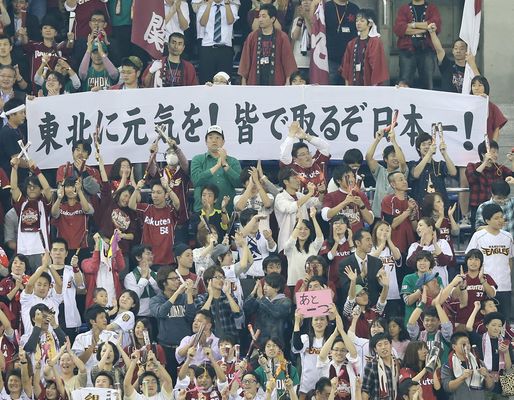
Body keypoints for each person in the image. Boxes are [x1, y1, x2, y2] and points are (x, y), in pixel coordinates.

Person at [466, 203, 514, 322]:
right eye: (496, 218)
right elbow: (470, 258)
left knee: (505, 320)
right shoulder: (478, 236)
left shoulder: (508, 236)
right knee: (486, 320)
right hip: (485, 286)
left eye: (501, 217)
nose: (500, 221)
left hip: (505, 286)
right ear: (487, 220)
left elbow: (510, 259)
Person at [150, 265, 195, 381]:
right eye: (173, 279)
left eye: (177, 278)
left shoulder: (184, 298)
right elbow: (161, 313)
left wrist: (189, 294)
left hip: (185, 348)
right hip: (166, 348)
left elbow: (191, 317)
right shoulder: (156, 300)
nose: (177, 281)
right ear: (164, 282)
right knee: (169, 381)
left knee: (186, 382)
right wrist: (177, 294)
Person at [10, 158, 53, 270]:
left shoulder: (44, 203)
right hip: (23, 250)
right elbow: (14, 187)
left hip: (41, 250)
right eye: (29, 186)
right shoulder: (21, 203)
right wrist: (14, 168)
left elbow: (48, 188)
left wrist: (36, 170)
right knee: (24, 282)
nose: (32, 188)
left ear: (40, 189)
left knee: (41, 281)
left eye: (35, 186)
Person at [239, 4, 297, 85]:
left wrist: (288, 80)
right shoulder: (252, 36)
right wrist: (244, 80)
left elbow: (288, 60)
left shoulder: (282, 37)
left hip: (276, 80)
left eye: (264, 16)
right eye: (259, 16)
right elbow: (245, 59)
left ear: (272, 19)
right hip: (255, 80)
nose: (260, 19)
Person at [191, 125, 242, 213]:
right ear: (206, 142)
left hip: (226, 210)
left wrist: (225, 164)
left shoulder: (233, 161)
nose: (214, 140)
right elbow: (196, 180)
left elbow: (239, 183)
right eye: (210, 138)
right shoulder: (197, 159)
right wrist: (217, 166)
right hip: (202, 210)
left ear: (223, 142)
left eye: (218, 138)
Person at [129, 179, 180, 266]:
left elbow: (177, 203)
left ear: (166, 195)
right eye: (153, 192)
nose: (155, 196)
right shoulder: (147, 208)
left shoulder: (170, 210)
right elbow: (131, 205)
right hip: (148, 261)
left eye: (159, 192)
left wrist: (168, 188)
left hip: (167, 260)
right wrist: (137, 188)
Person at [393, 0, 441, 89]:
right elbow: (400, 28)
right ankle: (404, 102)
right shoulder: (403, 9)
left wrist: (413, 25)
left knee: (427, 82)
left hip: (427, 49)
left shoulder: (432, 8)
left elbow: (435, 24)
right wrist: (426, 29)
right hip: (407, 49)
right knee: (404, 81)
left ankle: (426, 102)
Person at [466, 140, 513, 230]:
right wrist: (485, 162)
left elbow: (512, 175)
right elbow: (472, 178)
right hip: (478, 207)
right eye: (493, 152)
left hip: (497, 207)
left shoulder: (500, 168)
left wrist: (513, 161)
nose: (496, 155)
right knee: (478, 232)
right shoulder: (472, 166)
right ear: (484, 154)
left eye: (497, 152)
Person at [408, 132, 457, 211]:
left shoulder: (439, 165)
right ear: (418, 148)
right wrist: (429, 153)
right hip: (421, 209)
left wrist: (444, 153)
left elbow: (453, 172)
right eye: (423, 144)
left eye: (429, 144)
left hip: (440, 209)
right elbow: (415, 174)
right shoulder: (413, 164)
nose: (427, 146)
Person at [365, 127, 408, 219]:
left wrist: (394, 141)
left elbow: (402, 162)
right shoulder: (380, 171)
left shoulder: (401, 173)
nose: (396, 158)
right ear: (385, 159)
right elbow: (368, 157)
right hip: (377, 216)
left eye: (397, 155)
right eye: (393, 156)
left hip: (396, 216)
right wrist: (377, 139)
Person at [316, 312, 360, 400]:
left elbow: (354, 353)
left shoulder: (351, 365)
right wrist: (335, 334)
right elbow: (321, 356)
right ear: (331, 352)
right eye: (336, 350)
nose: (339, 353)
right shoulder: (327, 365)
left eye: (343, 350)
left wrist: (342, 331)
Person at [279, 121, 330, 197]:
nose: (307, 156)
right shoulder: (291, 167)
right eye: (302, 155)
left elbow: (325, 147)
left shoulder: (317, 162)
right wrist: (291, 135)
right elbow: (284, 155)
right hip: (300, 204)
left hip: (321, 203)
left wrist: (306, 136)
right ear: (295, 159)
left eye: (308, 153)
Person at [274, 167, 319, 251]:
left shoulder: (300, 195)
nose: (298, 181)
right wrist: (309, 194)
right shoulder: (280, 197)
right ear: (286, 181)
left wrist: (322, 192)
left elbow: (317, 203)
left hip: (305, 238)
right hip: (288, 239)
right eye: (295, 178)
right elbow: (291, 208)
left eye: (298, 178)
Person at [315, 0, 359, 85]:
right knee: (330, 91)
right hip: (330, 58)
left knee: (348, 91)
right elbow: (317, 28)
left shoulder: (354, 8)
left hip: (349, 59)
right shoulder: (326, 7)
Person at [340, 9, 388, 86]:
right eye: (357, 21)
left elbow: (376, 66)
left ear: (370, 23)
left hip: (370, 85)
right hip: (354, 84)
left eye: (362, 21)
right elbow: (346, 67)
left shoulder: (375, 42)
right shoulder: (351, 43)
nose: (358, 23)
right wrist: (347, 87)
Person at [441, 332, 494, 400]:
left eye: (468, 343)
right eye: (463, 344)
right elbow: (447, 388)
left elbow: (490, 387)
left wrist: (486, 375)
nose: (467, 345)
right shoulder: (448, 366)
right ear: (454, 347)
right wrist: (462, 377)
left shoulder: (479, 362)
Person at [338, 229, 383, 308]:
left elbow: (379, 288)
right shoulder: (345, 264)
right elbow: (345, 288)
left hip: (374, 307)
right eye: (368, 240)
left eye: (371, 240)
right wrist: (361, 276)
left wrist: (382, 283)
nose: (371, 243)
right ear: (357, 243)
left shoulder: (377, 262)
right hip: (354, 308)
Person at [322, 164, 373, 233]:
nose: (352, 179)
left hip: (358, 237)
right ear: (338, 180)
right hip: (339, 237)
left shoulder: (361, 195)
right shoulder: (331, 196)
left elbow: (370, 220)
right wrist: (345, 202)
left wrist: (361, 205)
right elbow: (325, 216)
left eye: (353, 176)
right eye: (348, 177)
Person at [197, 0, 239, 84]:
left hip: (225, 48)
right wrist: (209, 5)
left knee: (224, 80)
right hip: (208, 47)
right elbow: (202, 22)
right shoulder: (203, 7)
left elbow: (230, 20)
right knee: (206, 80)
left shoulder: (232, 7)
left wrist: (227, 4)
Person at [343, 266, 389, 339]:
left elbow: (382, 301)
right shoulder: (350, 313)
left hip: (373, 345)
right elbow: (350, 299)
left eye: (364, 293)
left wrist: (386, 286)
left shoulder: (374, 310)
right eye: (359, 295)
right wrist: (353, 281)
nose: (363, 296)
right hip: (356, 346)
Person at [244, 273, 292, 344]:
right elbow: (247, 309)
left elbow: (276, 312)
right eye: (264, 285)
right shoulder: (261, 299)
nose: (264, 288)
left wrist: (261, 297)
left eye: (268, 285)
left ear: (277, 288)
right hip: (259, 342)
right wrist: (253, 292)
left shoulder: (285, 301)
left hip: (276, 344)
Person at [51, 178, 94, 254]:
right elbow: (54, 214)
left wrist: (79, 191)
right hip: (63, 248)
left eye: (73, 186)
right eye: (67, 187)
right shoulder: (60, 205)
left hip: (82, 247)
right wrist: (59, 198)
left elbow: (87, 210)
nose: (70, 190)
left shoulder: (83, 204)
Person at [428, 29, 479, 93]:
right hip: (447, 101)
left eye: (462, 49)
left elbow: (480, 83)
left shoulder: (470, 69)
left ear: (467, 51)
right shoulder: (447, 65)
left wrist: (473, 65)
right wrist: (432, 33)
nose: (458, 51)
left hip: (465, 101)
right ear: (453, 51)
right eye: (456, 48)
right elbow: (439, 49)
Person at [406, 217, 453, 286]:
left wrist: (435, 244)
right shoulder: (415, 246)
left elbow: (445, 262)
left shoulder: (442, 243)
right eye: (417, 226)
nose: (417, 228)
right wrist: (421, 245)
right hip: (421, 287)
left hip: (440, 285)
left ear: (430, 228)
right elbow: (410, 263)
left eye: (420, 225)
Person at [284, 207, 323, 287]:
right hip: (293, 284)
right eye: (300, 229)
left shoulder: (313, 246)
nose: (302, 231)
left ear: (310, 232)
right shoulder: (290, 248)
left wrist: (313, 218)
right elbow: (290, 241)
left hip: (310, 284)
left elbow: (320, 238)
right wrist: (299, 222)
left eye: (306, 229)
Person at [370, 221, 403, 317]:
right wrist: (382, 244)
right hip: (377, 292)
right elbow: (371, 260)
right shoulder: (371, 248)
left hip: (392, 291)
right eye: (381, 229)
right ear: (375, 231)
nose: (384, 232)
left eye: (387, 230)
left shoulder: (392, 248)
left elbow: (398, 258)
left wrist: (388, 241)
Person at [381, 171, 418, 255]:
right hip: (394, 246)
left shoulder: (412, 201)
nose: (405, 182)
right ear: (393, 184)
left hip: (410, 246)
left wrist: (412, 216)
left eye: (405, 179)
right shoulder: (388, 200)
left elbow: (416, 228)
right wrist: (409, 210)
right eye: (401, 180)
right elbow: (392, 224)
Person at [457, 249, 496, 327]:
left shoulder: (486, 278)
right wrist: (460, 284)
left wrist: (482, 280)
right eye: (470, 259)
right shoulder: (460, 277)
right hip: (462, 321)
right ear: (466, 261)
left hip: (482, 322)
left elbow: (492, 294)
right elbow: (453, 296)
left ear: (481, 263)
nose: (473, 262)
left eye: (476, 259)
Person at [361, 333, 400, 400]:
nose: (383, 347)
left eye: (386, 343)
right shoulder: (371, 365)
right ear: (375, 349)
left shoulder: (398, 363)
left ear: (391, 345)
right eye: (379, 345)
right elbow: (365, 390)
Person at [124, 245, 160, 317]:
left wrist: (150, 279)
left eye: (151, 254)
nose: (151, 256)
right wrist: (143, 279)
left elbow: (162, 292)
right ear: (138, 257)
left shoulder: (157, 274)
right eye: (148, 254)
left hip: (156, 315)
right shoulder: (130, 277)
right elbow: (133, 297)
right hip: (139, 316)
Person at [319, 215, 353, 288]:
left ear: (347, 226)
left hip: (349, 281)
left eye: (342, 223)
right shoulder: (327, 242)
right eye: (336, 223)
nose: (338, 225)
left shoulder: (351, 242)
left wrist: (350, 241)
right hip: (332, 282)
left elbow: (355, 258)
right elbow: (328, 259)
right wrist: (336, 243)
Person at [471, 75, 508, 142]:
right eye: (473, 85)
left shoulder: (492, 107)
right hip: (470, 144)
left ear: (485, 87)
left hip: (486, 145)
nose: (476, 88)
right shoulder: (466, 105)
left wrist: (493, 145)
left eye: (480, 85)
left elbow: (496, 129)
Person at [0, 98, 27, 176]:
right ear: (11, 115)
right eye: (21, 113)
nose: (24, 115)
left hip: (22, 174)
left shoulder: (20, 128)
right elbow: (16, 158)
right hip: (11, 175)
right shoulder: (7, 133)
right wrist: (32, 166)